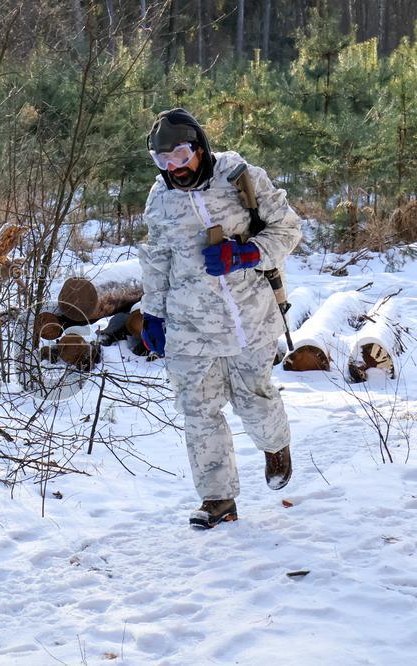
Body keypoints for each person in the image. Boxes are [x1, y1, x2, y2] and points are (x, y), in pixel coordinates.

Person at [138, 108, 301, 529]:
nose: (174, 168)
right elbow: (157, 260)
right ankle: (218, 499)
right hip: (190, 324)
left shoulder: (239, 177)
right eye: (163, 161)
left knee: (254, 400)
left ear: (200, 147)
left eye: (180, 156)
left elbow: (288, 229)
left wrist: (245, 254)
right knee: (198, 410)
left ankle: (275, 445)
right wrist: (152, 312)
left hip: (248, 314)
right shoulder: (159, 198)